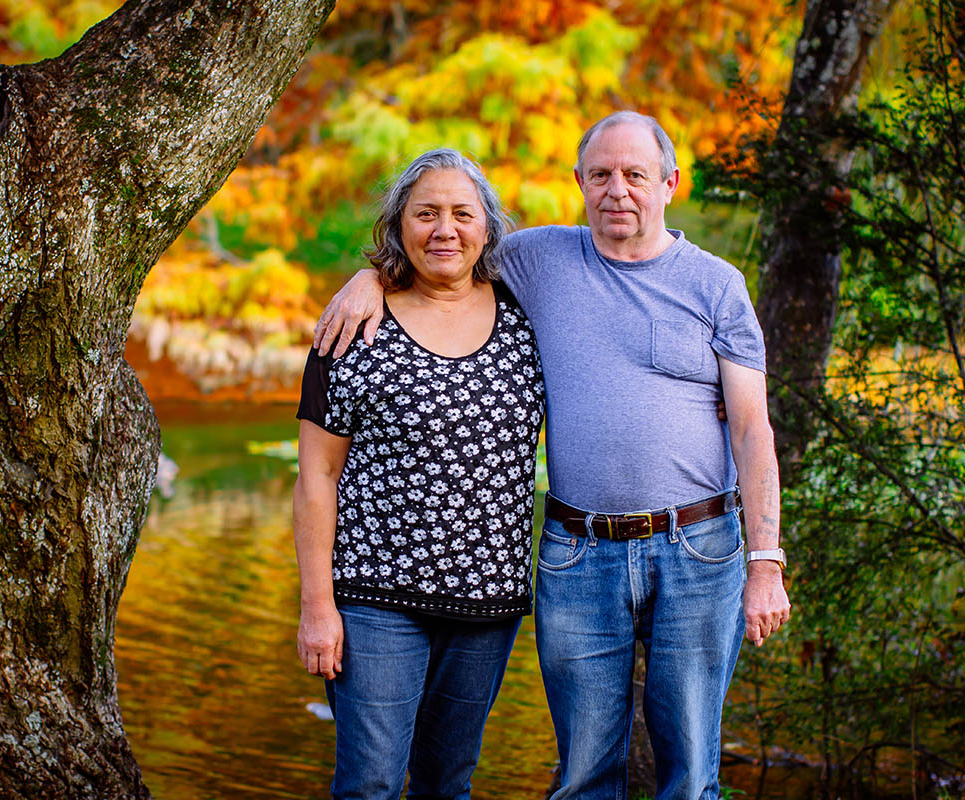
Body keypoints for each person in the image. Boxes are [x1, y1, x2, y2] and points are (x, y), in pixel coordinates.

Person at [313, 112, 792, 800]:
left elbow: (752, 430)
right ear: (579, 183)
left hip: (700, 548)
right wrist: (369, 278)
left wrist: (765, 561)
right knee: (584, 773)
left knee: (689, 773)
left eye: (635, 175)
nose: (617, 190)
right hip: (578, 554)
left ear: (670, 184)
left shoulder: (717, 285)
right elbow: (442, 251)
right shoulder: (538, 260)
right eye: (600, 175)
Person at [293, 148, 545, 800]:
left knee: (447, 785)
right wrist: (317, 607)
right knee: (370, 784)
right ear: (398, 224)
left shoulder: (528, 316)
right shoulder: (353, 326)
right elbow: (317, 476)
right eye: (426, 213)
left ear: (488, 227)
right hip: (374, 598)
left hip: (487, 604)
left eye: (462, 214)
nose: (445, 229)